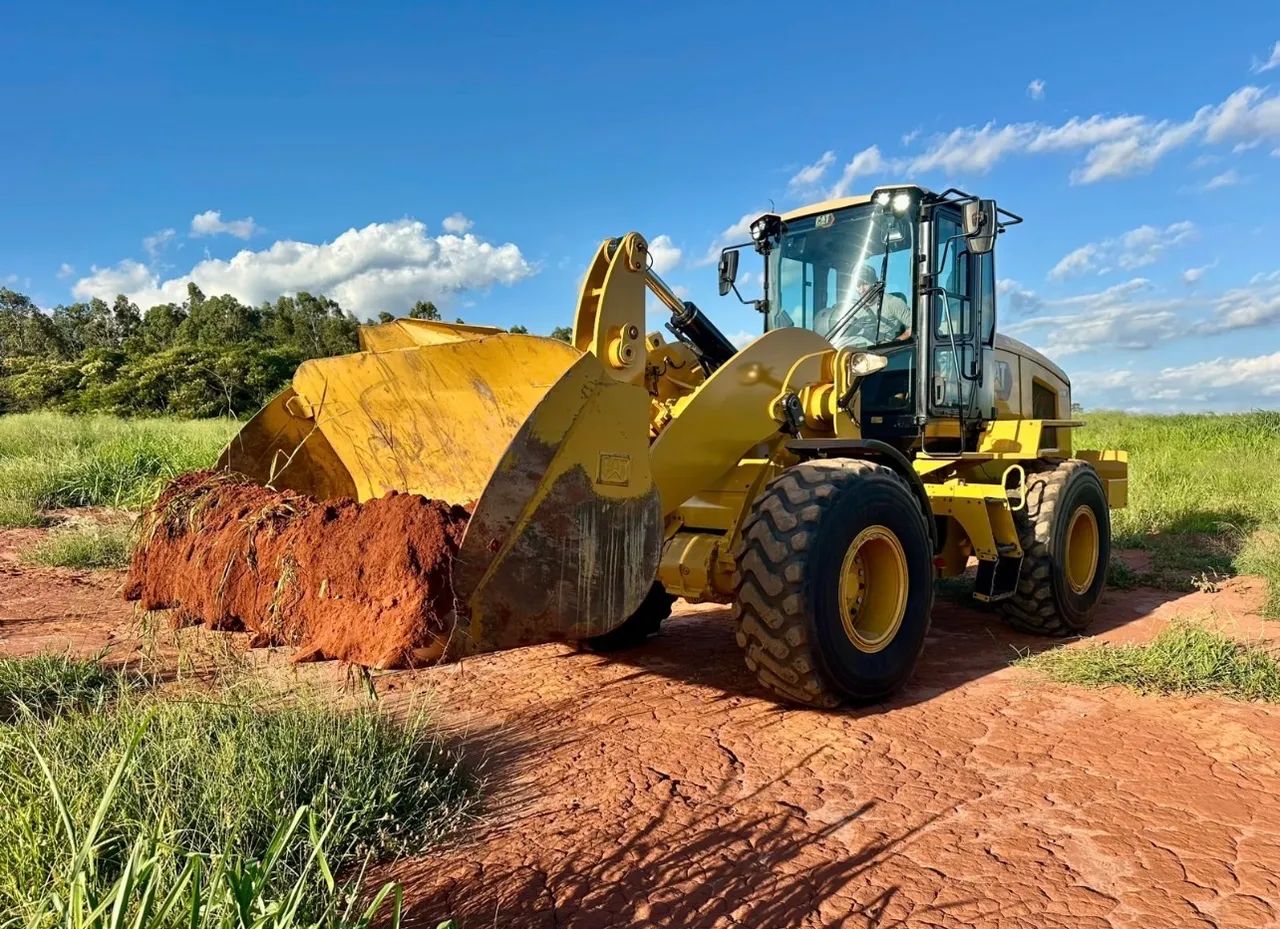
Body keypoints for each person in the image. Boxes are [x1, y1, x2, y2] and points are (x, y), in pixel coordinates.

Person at [819, 264, 913, 347]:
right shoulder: (856, 308)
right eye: (858, 285)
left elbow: (914, 327)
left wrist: (895, 342)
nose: (861, 289)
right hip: (863, 349)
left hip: (885, 348)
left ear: (875, 282)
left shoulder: (893, 303)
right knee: (837, 343)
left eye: (865, 283)